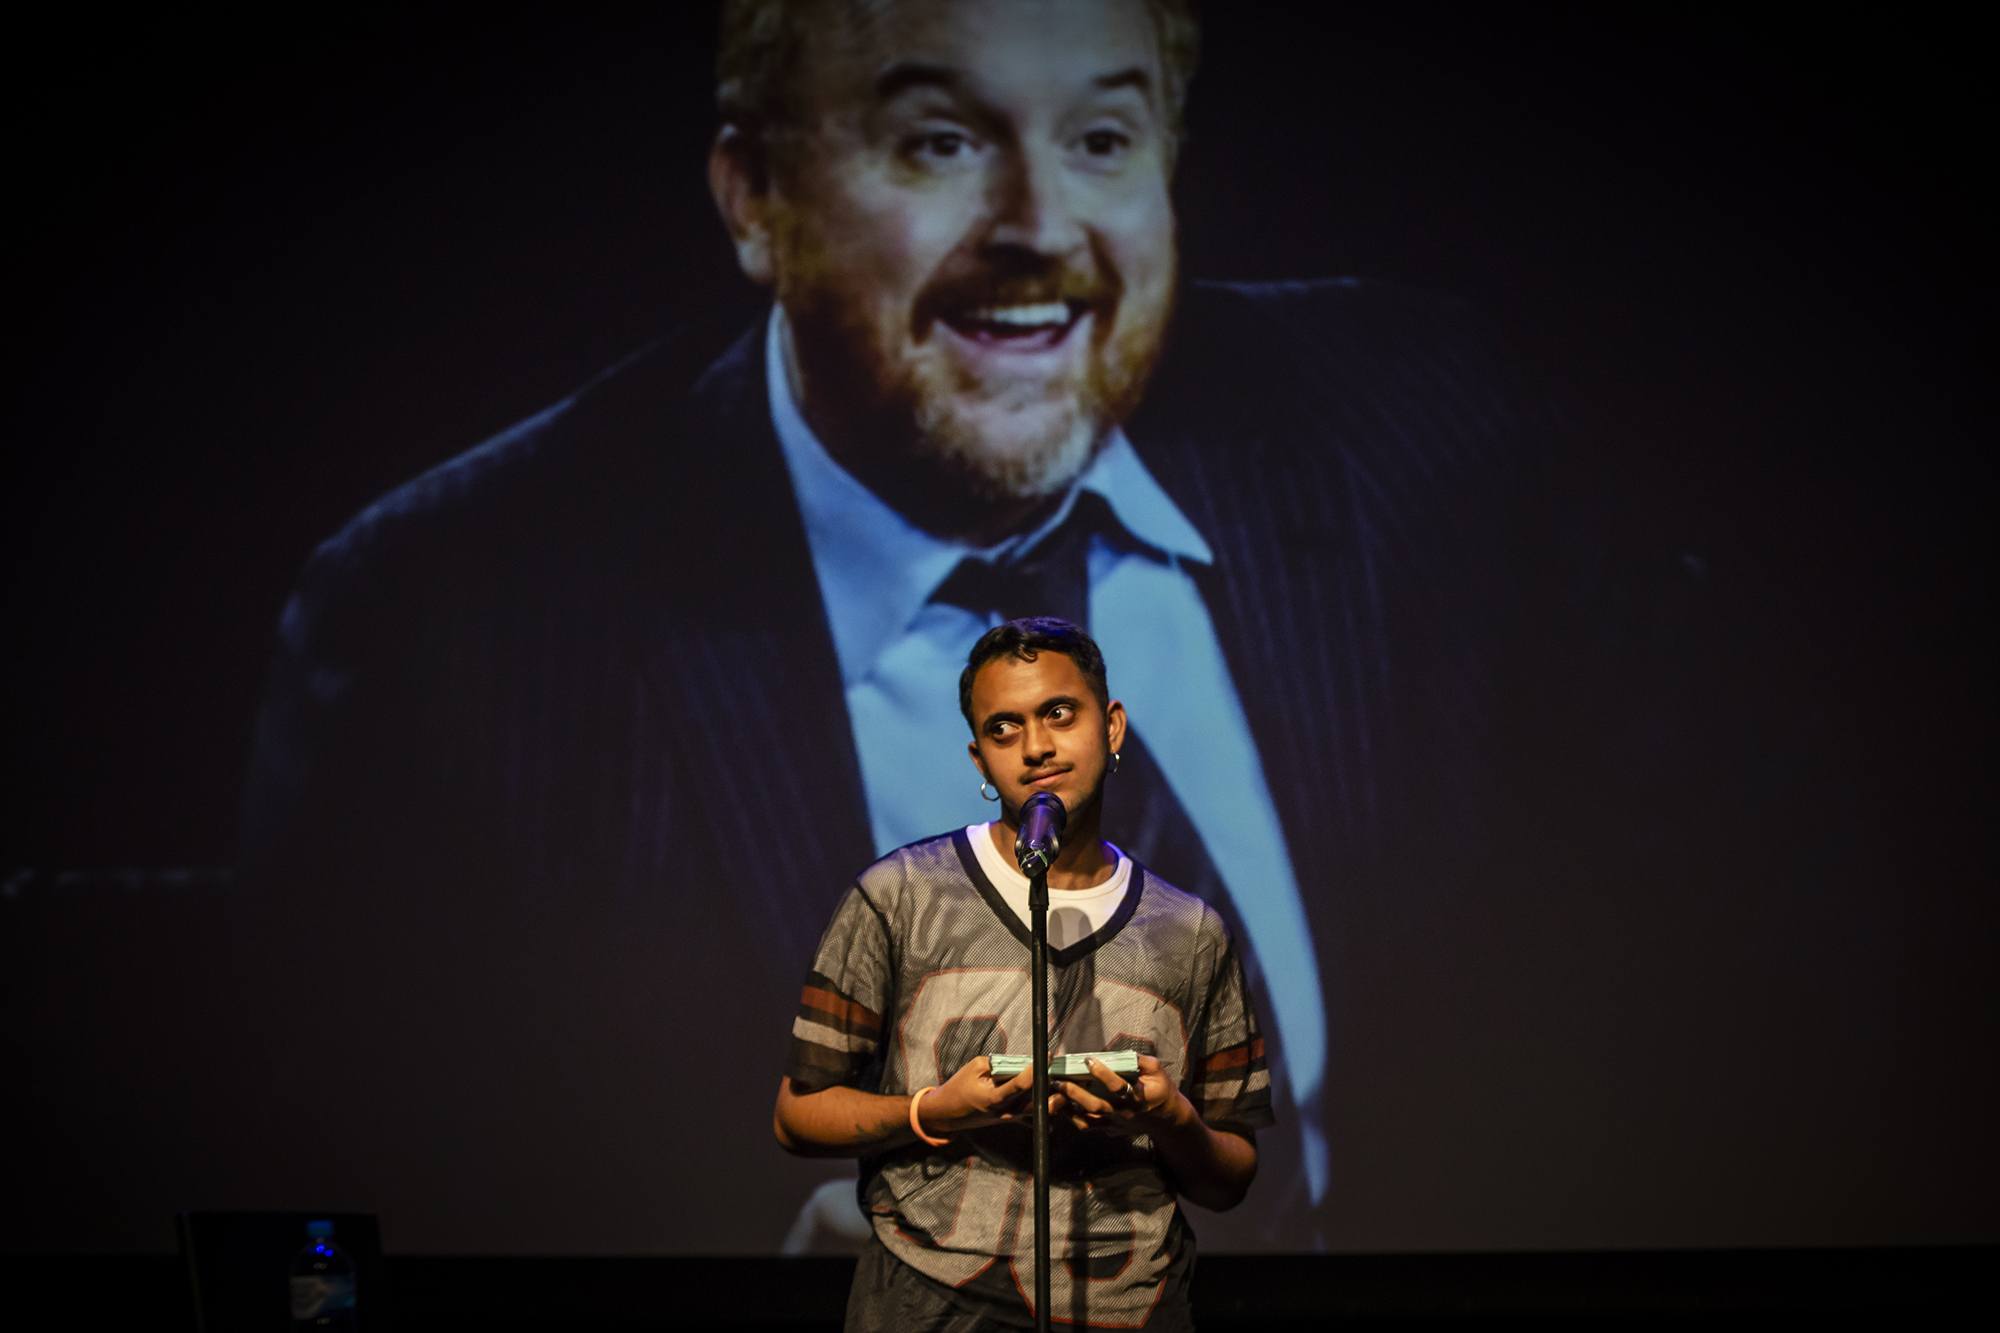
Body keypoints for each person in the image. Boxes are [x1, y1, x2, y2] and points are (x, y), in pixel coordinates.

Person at [237, 0, 1548, 1250]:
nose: (1041, 227)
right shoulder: (449, 632)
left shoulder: (1422, 426)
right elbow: (329, 1238)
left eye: (1102, 139)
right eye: (941, 142)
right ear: (757, 199)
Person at [781, 617, 1266, 1330]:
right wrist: (931, 1111)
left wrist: (1170, 1117)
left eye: (1059, 714)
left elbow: (1232, 1174)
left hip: (1129, 1307)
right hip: (923, 1308)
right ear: (979, 760)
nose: (1036, 746)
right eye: (1004, 729)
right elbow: (797, 1114)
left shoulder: (1190, 932)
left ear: (1114, 725)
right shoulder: (900, 895)